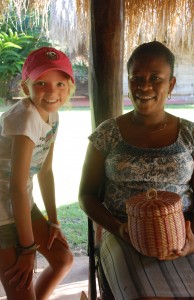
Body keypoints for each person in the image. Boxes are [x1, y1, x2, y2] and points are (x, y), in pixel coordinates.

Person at [78, 41, 194, 300]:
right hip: (123, 233)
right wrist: (121, 229)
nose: (144, 86)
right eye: (137, 78)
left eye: (156, 78)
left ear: (172, 84)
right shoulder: (107, 135)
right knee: (144, 295)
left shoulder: (192, 135)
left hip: (185, 232)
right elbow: (86, 195)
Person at [0, 46, 75, 299]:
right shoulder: (25, 119)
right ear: (25, 88)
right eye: (41, 82)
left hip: (20, 202)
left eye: (60, 84)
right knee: (21, 288)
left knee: (62, 259)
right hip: (1, 211)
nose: (52, 91)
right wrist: (28, 248)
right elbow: (16, 187)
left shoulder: (52, 115)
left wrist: (54, 221)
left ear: (70, 85)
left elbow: (45, 170)